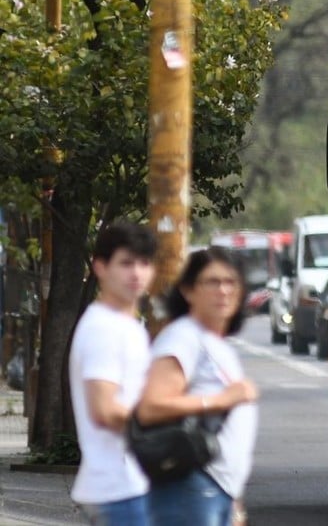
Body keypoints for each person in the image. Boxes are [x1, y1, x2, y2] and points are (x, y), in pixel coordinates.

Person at [136, 246, 259, 526]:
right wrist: (221, 400)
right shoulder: (183, 338)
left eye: (231, 282)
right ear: (188, 290)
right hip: (192, 484)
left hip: (215, 489)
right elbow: (151, 407)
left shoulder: (214, 342)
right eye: (212, 282)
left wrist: (234, 503)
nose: (223, 290)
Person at [68, 221, 158, 525]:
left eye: (144, 263)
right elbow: (104, 410)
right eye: (126, 263)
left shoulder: (127, 325)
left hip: (130, 483)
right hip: (117, 488)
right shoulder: (102, 329)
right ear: (100, 267)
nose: (136, 273)